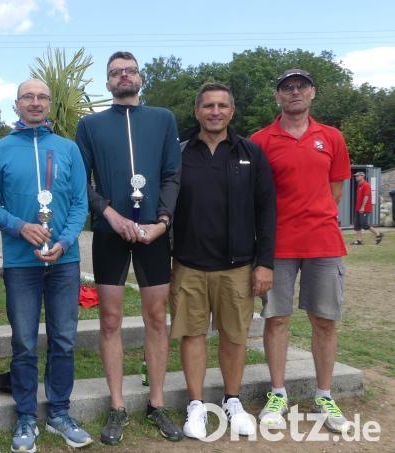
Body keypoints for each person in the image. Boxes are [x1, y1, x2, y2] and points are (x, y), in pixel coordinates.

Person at [76, 50, 183, 444]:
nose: (123, 76)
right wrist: (110, 215)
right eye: (115, 72)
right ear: (107, 83)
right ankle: (118, 405)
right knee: (109, 319)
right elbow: (81, 182)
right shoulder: (90, 125)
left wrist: (163, 222)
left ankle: (156, 403)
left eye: (130, 71)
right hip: (110, 234)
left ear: (140, 77)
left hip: (155, 233)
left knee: (157, 317)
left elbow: (173, 174)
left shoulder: (162, 119)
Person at [0, 79, 91, 452]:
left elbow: (80, 203)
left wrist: (63, 241)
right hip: (20, 261)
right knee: (24, 342)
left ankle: (59, 412)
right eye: (28, 97)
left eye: (42, 97)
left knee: (63, 339)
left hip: (65, 261)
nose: (35, 102)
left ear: (50, 104)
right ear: (16, 104)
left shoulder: (68, 149)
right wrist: (18, 226)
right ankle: (27, 416)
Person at [170, 83, 276, 439]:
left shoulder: (251, 153)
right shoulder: (179, 151)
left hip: (238, 266)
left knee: (234, 336)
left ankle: (232, 400)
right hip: (189, 264)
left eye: (222, 106)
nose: (215, 111)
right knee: (193, 334)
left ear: (232, 111)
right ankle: (196, 405)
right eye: (208, 106)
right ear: (197, 110)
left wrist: (265, 263)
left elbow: (267, 211)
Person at [251, 68, 352, 434]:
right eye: (286, 88)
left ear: (312, 93)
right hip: (277, 245)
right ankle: (278, 392)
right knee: (276, 318)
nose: (294, 92)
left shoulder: (332, 137)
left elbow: (335, 192)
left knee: (324, 321)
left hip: (323, 243)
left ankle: (324, 393)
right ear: (278, 96)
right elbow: (256, 197)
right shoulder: (261, 140)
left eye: (301, 86)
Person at [352, 171, 383, 245]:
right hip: (358, 208)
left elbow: (366, 196)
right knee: (357, 225)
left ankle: (378, 234)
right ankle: (359, 241)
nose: (356, 177)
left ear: (362, 176)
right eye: (355, 176)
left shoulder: (366, 185)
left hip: (364, 209)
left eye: (357, 176)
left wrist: (362, 207)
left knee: (364, 224)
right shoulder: (359, 185)